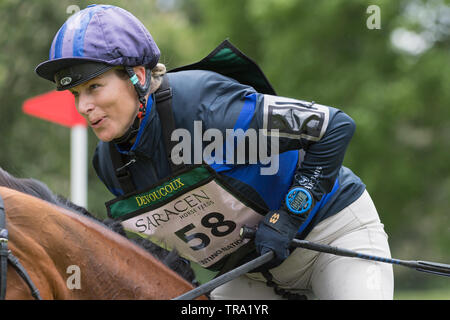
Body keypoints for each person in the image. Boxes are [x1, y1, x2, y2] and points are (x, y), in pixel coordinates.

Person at [35, 5, 393, 300]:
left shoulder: (205, 104)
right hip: (252, 276)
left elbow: (334, 126)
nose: (84, 106)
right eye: (76, 94)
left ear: (138, 76)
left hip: (332, 238)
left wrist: (288, 215)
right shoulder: (109, 164)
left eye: (95, 86)